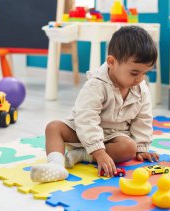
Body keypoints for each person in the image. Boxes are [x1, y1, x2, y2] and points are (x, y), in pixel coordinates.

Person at [30, 26, 159, 182]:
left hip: (113, 136)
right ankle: (56, 165)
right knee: (53, 127)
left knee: (129, 148)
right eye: (134, 73)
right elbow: (86, 118)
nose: (140, 79)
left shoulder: (141, 89)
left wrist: (141, 147)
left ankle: (83, 154)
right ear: (112, 62)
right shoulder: (96, 85)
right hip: (83, 129)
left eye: (145, 73)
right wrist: (98, 152)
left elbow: (143, 118)